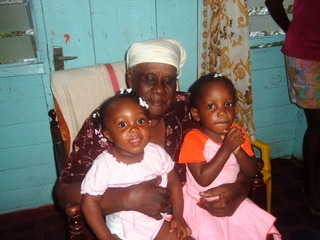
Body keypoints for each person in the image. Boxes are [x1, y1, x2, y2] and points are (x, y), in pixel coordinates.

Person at [54, 38, 252, 225]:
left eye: (168, 81)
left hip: (193, 213)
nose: (159, 90)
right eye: (149, 80)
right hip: (129, 224)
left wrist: (240, 189)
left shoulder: (192, 111)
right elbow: (63, 192)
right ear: (131, 78)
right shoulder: (107, 122)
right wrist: (126, 197)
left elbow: (238, 154)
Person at [179, 73, 281, 239]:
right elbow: (203, 179)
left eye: (228, 104)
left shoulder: (238, 133)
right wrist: (226, 148)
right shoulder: (193, 139)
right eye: (211, 106)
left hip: (233, 198)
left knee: (261, 233)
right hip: (202, 204)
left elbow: (251, 170)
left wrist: (238, 150)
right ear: (196, 114)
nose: (222, 112)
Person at [81, 89, 191, 240]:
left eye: (140, 121)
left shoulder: (156, 153)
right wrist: (105, 236)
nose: (133, 128)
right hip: (122, 231)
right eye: (122, 124)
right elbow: (89, 204)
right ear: (108, 135)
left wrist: (178, 217)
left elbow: (174, 183)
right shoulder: (104, 165)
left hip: (156, 224)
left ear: (148, 124)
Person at [265, 0, 320, 215]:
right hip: (306, 52)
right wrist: (292, 29)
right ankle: (311, 188)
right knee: (317, 123)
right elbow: (272, 2)